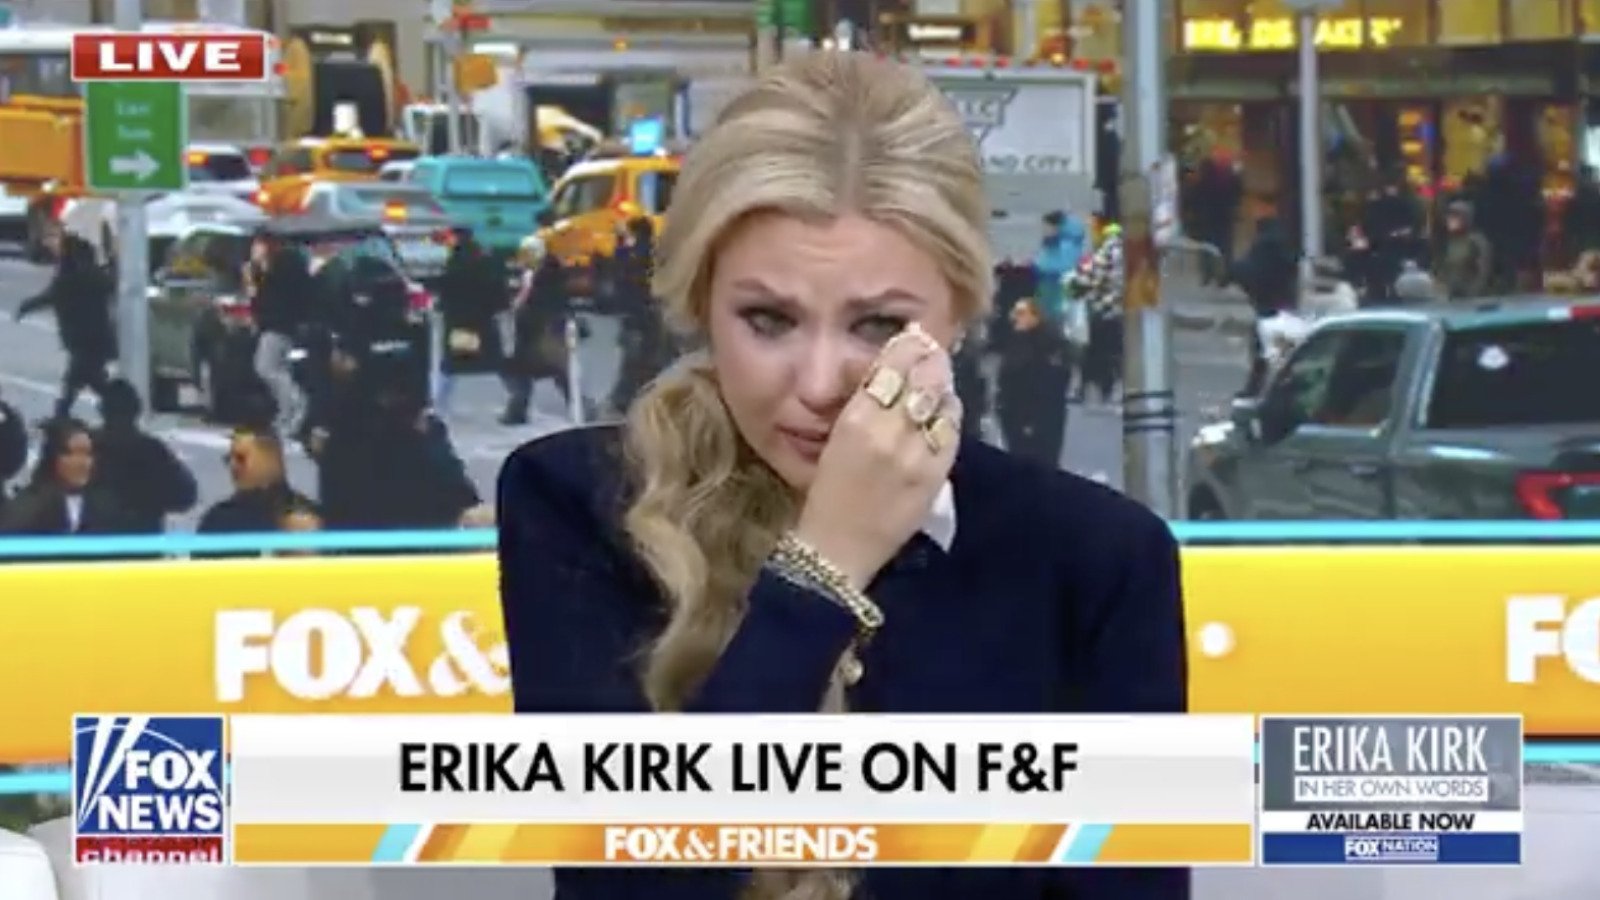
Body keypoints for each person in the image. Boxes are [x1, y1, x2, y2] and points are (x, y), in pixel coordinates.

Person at [497, 52, 1186, 900]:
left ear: (959, 316)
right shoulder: (582, 505)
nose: (822, 383)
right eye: (768, 319)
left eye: (879, 325)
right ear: (702, 303)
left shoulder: (1097, 560)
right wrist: (824, 569)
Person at [15, 227, 116, 421]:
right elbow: (110, 287)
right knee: (86, 380)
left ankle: (64, 415)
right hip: (97, 338)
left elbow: (48, 297)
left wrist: (25, 307)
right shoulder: (95, 275)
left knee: (79, 380)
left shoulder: (68, 278)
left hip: (83, 340)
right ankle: (68, 414)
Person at [90, 378, 197, 532]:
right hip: (140, 538)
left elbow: (185, 495)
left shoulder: (88, 448)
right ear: (137, 411)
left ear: (103, 412)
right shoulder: (153, 451)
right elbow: (185, 496)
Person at [0, 418, 131, 535]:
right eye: (70, 453)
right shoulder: (27, 508)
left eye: (87, 453)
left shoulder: (107, 506)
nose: (81, 462)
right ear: (53, 457)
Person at [996, 298, 1072, 467]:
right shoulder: (1016, 341)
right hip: (1016, 417)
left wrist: (1030, 419)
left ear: (1035, 317)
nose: (1015, 318)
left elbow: (1053, 382)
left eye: (1021, 313)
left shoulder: (1046, 345)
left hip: (1036, 419)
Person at [249, 236, 312, 438]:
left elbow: (271, 296)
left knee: (267, 367)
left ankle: (295, 406)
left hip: (279, 325)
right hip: (278, 324)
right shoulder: (280, 265)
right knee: (274, 368)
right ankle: (287, 411)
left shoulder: (283, 266)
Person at [196, 427, 311, 537]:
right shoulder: (309, 515)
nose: (232, 465)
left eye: (241, 458)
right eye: (229, 458)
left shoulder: (220, 520)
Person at [1032, 209, 1087, 323]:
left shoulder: (1060, 244)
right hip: (1060, 279)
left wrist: (1037, 268)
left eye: (1047, 227)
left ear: (1056, 227)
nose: (1044, 230)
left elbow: (1053, 263)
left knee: (1053, 312)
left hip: (1054, 280)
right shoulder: (1070, 239)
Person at [1434, 200, 1492, 301]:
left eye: (1455, 216)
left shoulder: (1477, 241)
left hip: (1471, 298)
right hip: (1449, 297)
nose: (1450, 220)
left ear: (1466, 218)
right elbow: (1440, 269)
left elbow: (1483, 273)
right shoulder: (1447, 242)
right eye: (1449, 216)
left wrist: (1471, 295)